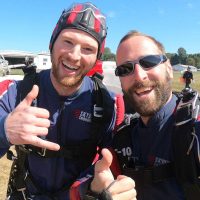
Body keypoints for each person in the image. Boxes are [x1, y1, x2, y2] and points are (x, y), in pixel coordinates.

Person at [0, 3, 136, 200]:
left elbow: (109, 166)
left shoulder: (109, 105)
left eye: (88, 48)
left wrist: (99, 185)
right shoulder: (16, 91)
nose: (74, 56)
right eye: (68, 41)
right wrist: (4, 130)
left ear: (97, 57)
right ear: (52, 43)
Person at [88, 30, 200, 200]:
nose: (139, 75)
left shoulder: (194, 129)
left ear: (169, 68)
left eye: (149, 62)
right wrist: (94, 191)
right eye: (125, 69)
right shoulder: (121, 139)